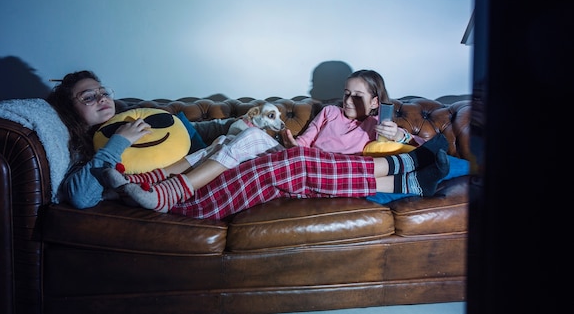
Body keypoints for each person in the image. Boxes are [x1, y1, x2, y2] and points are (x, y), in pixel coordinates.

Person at [48, 70, 452, 220]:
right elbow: (84, 191)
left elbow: (202, 139)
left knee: (263, 144)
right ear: (71, 113)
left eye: (103, 91)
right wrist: (117, 143)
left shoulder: (378, 123)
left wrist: (403, 139)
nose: (102, 98)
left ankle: (409, 174)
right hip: (182, 186)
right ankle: (409, 175)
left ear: (376, 100)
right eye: (89, 97)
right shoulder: (94, 145)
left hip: (172, 176)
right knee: (288, 158)